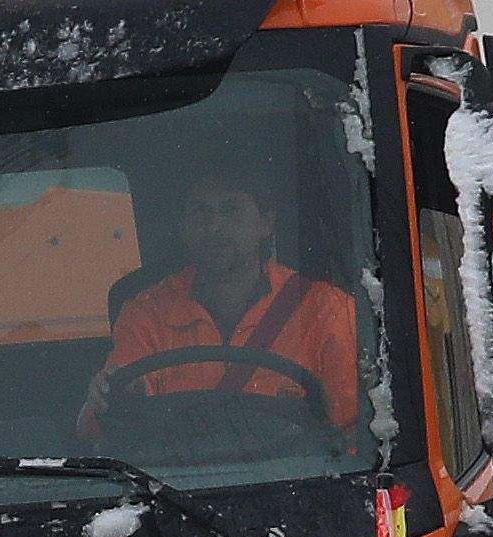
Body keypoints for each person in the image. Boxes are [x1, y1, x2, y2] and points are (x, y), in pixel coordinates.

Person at [88, 170, 361, 436]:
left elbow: (351, 441)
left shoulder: (328, 311)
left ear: (266, 223)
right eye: (200, 211)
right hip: (177, 480)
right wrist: (115, 398)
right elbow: (98, 429)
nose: (214, 227)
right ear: (184, 226)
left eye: (231, 210)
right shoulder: (147, 312)